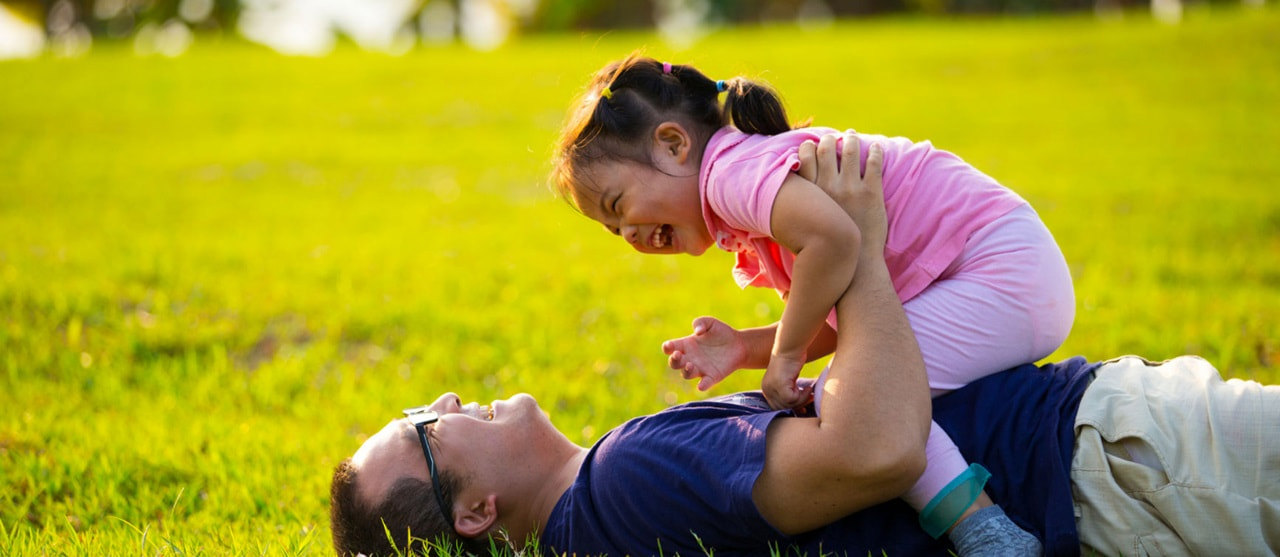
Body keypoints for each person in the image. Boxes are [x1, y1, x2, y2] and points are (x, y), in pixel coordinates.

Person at [329, 140, 1279, 556]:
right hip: (1111, 461)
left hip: (1111, 461)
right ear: (475, 512)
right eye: (425, 428)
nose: (444, 401)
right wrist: (853, 240)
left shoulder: (611, 497)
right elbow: (875, 443)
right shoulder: (623, 482)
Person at [549, 53, 1074, 540]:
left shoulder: (728, 178)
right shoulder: (744, 178)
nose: (630, 235)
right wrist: (746, 348)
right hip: (1014, 270)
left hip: (1001, 273)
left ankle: (987, 536)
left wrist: (786, 357)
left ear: (673, 143)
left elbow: (837, 238)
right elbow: (844, 312)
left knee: (850, 400)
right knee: (863, 379)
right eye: (613, 231)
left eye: (619, 206)